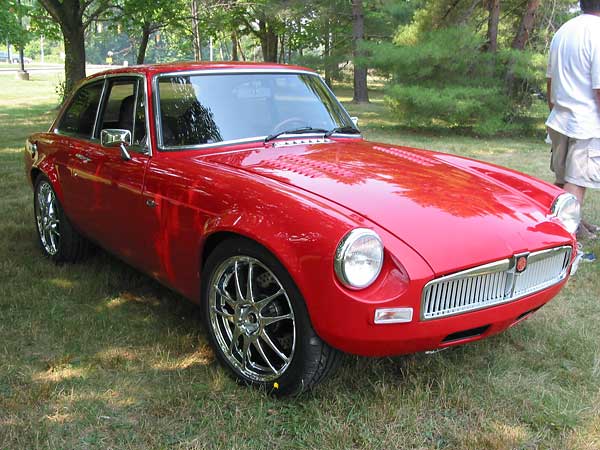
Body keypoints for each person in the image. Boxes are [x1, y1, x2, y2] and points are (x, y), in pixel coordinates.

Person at [546, 0, 600, 243]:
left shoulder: (563, 31)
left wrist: (553, 110)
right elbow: (599, 88)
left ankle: (571, 225)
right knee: (576, 182)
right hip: (585, 121)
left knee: (562, 180)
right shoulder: (598, 32)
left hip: (559, 117)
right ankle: (565, 242)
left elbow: (550, 81)